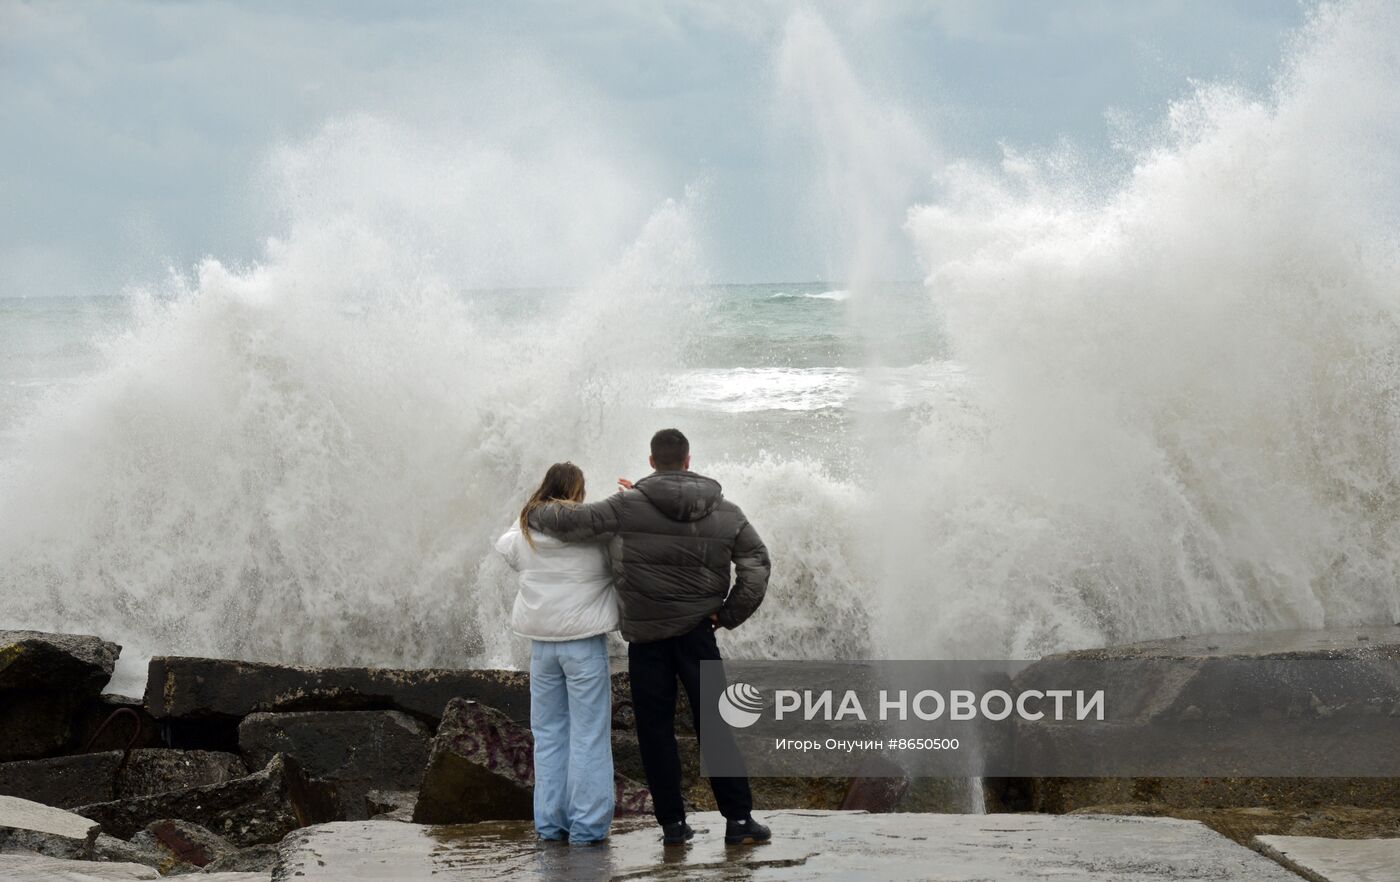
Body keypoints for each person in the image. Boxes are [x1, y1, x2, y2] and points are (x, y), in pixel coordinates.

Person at [527, 428, 772, 846]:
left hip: (646, 641)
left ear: (652, 461)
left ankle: (673, 826)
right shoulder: (727, 511)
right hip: (699, 634)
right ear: (688, 460)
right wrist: (727, 614)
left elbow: (569, 522)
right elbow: (757, 565)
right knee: (715, 727)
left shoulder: (627, 506)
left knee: (655, 732)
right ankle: (739, 821)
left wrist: (532, 509)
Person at [495, 462, 619, 845]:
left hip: (542, 649)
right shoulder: (594, 538)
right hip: (583, 645)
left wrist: (528, 515)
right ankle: (587, 828)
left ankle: (550, 825)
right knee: (589, 735)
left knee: (548, 736)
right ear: (579, 496)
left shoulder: (526, 533)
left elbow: (504, 544)